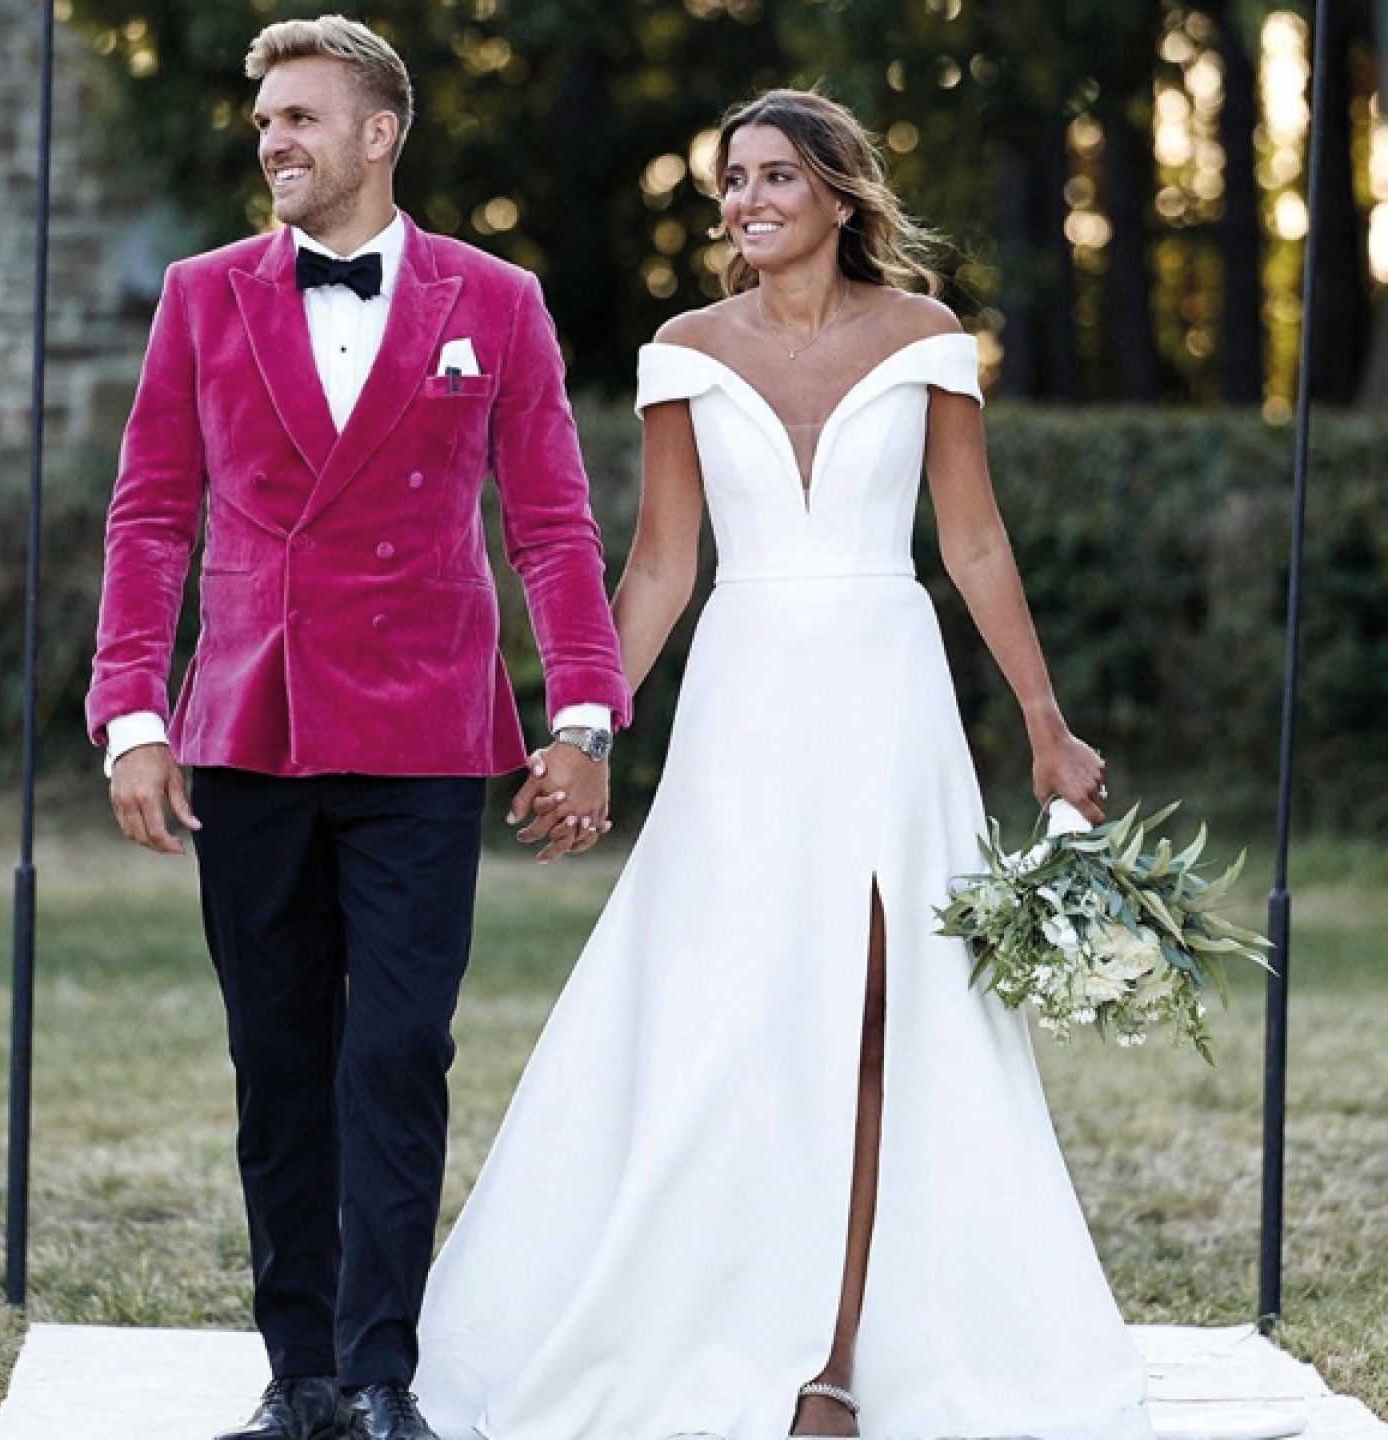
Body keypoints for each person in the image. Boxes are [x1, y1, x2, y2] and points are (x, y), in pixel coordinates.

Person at [416, 88, 1156, 1440]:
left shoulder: (927, 339)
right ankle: (717, 1315)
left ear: (837, 194)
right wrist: (583, 727)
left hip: (889, 694)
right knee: (737, 1012)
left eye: (770, 178)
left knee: (887, 1010)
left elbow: (974, 543)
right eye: (730, 182)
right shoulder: (683, 352)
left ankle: (840, 1359)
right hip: (747, 706)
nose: (744, 202)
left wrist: (1046, 721)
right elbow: (659, 566)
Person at [86, 16, 629, 1440]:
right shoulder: (203, 295)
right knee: (277, 1058)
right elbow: (151, 515)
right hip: (246, 730)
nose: (274, 140)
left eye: (302, 118)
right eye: (265, 118)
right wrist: (132, 708)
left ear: (379, 134)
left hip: (425, 738)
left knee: (395, 1052)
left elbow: (553, 522)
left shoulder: (496, 299)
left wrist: (582, 712)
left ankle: (382, 1373)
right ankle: (299, 1378)